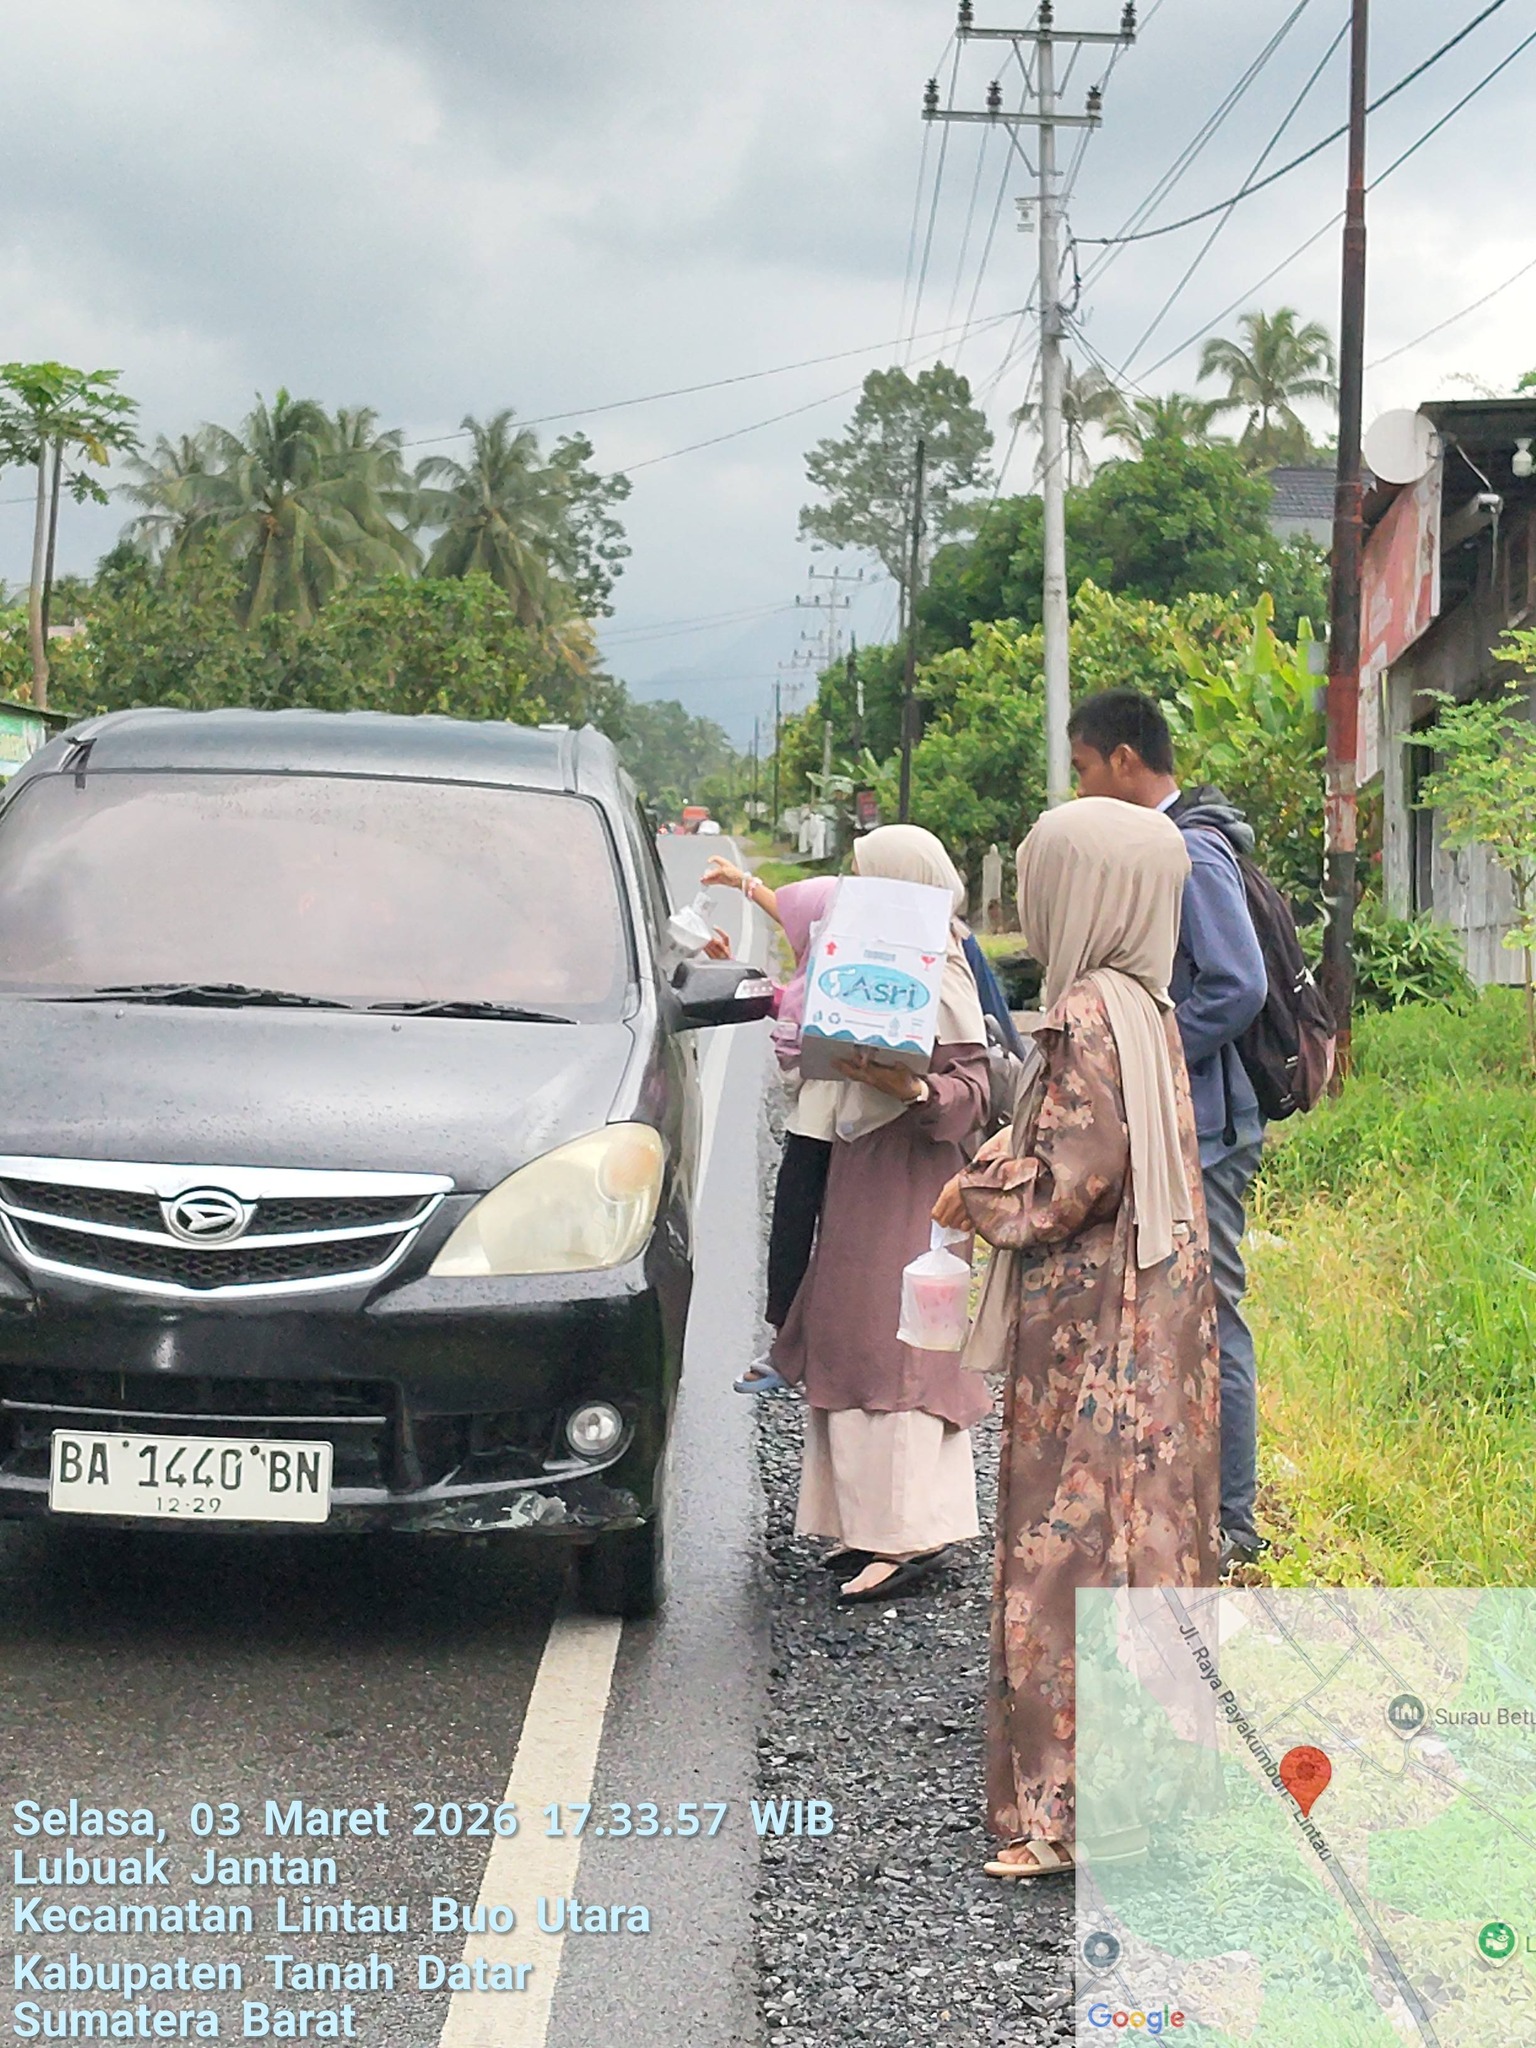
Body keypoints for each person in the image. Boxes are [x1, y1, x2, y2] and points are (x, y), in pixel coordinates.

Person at [934, 798, 1221, 1878]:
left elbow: (1067, 1184)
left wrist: (977, 1189)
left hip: (1094, 1343)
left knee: (1075, 1550)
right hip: (1156, 1330)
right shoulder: (1146, 1001)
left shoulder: (1086, 1013)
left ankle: (1063, 1813)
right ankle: (1143, 1802)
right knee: (1148, 1546)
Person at [1066, 690, 1269, 1572]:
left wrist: (1148, 1059)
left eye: (1082, 770)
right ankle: (1184, 1507)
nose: (1080, 791)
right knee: (1175, 1315)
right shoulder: (1162, 844)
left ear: (1121, 759)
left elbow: (1238, 984)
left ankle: (1235, 1522)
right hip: (1188, 1118)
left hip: (1212, 1126)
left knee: (1217, 1316)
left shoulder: (1188, 848)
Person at [770, 825, 992, 1604]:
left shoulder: (945, 960)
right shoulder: (864, 950)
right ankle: (865, 1526)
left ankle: (909, 1536)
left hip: (913, 1174)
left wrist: (916, 1092)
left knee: (898, 1343)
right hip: (860, 1162)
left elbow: (975, 1089)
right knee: (848, 1330)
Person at [700, 856, 838, 1389]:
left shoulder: (859, 966)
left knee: (812, 1229)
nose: (797, 931)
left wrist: (744, 883)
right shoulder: (821, 969)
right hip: (815, 1111)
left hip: (842, 1118)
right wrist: (735, 962)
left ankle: (800, 1344)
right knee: (793, 1228)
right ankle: (790, 1341)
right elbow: (789, 1006)